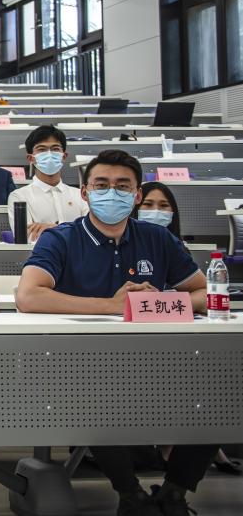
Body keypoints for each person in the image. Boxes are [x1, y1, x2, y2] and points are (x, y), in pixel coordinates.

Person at [15, 149, 213, 516]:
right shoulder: (61, 238)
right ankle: (130, 494)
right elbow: (28, 296)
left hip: (157, 361)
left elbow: (203, 292)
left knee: (219, 393)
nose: (112, 193)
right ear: (85, 192)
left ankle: (175, 492)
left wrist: (160, 301)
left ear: (136, 196)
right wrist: (113, 305)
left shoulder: (158, 238)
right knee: (98, 396)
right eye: (102, 185)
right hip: (81, 365)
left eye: (123, 186)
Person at [6, 125, 87, 240]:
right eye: (41, 149)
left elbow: (89, 234)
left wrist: (53, 228)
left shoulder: (80, 195)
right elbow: (27, 238)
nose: (49, 154)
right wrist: (72, 230)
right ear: (31, 158)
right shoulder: (19, 197)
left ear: (64, 156)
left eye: (55, 149)